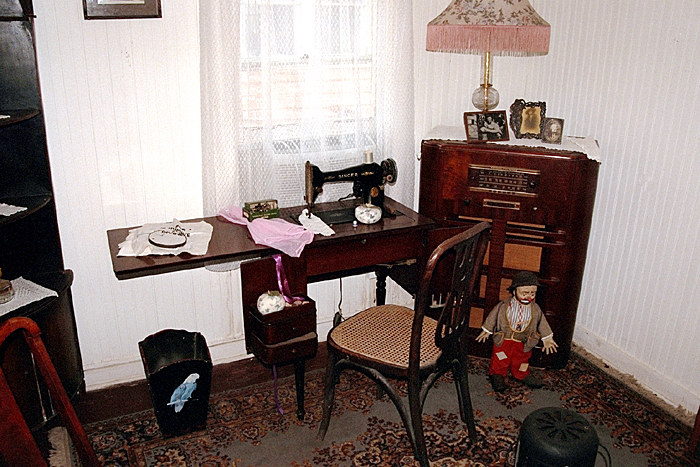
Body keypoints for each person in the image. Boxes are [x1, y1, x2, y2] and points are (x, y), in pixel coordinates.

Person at [476, 271, 558, 393]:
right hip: (503, 339)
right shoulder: (503, 306)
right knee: (500, 358)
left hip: (524, 340)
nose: (528, 296)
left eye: (532, 293)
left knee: (522, 359)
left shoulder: (535, 309)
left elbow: (542, 323)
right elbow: (493, 317)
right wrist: (487, 330)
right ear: (514, 291)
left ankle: (522, 374)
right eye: (524, 293)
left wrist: (547, 338)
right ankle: (497, 375)